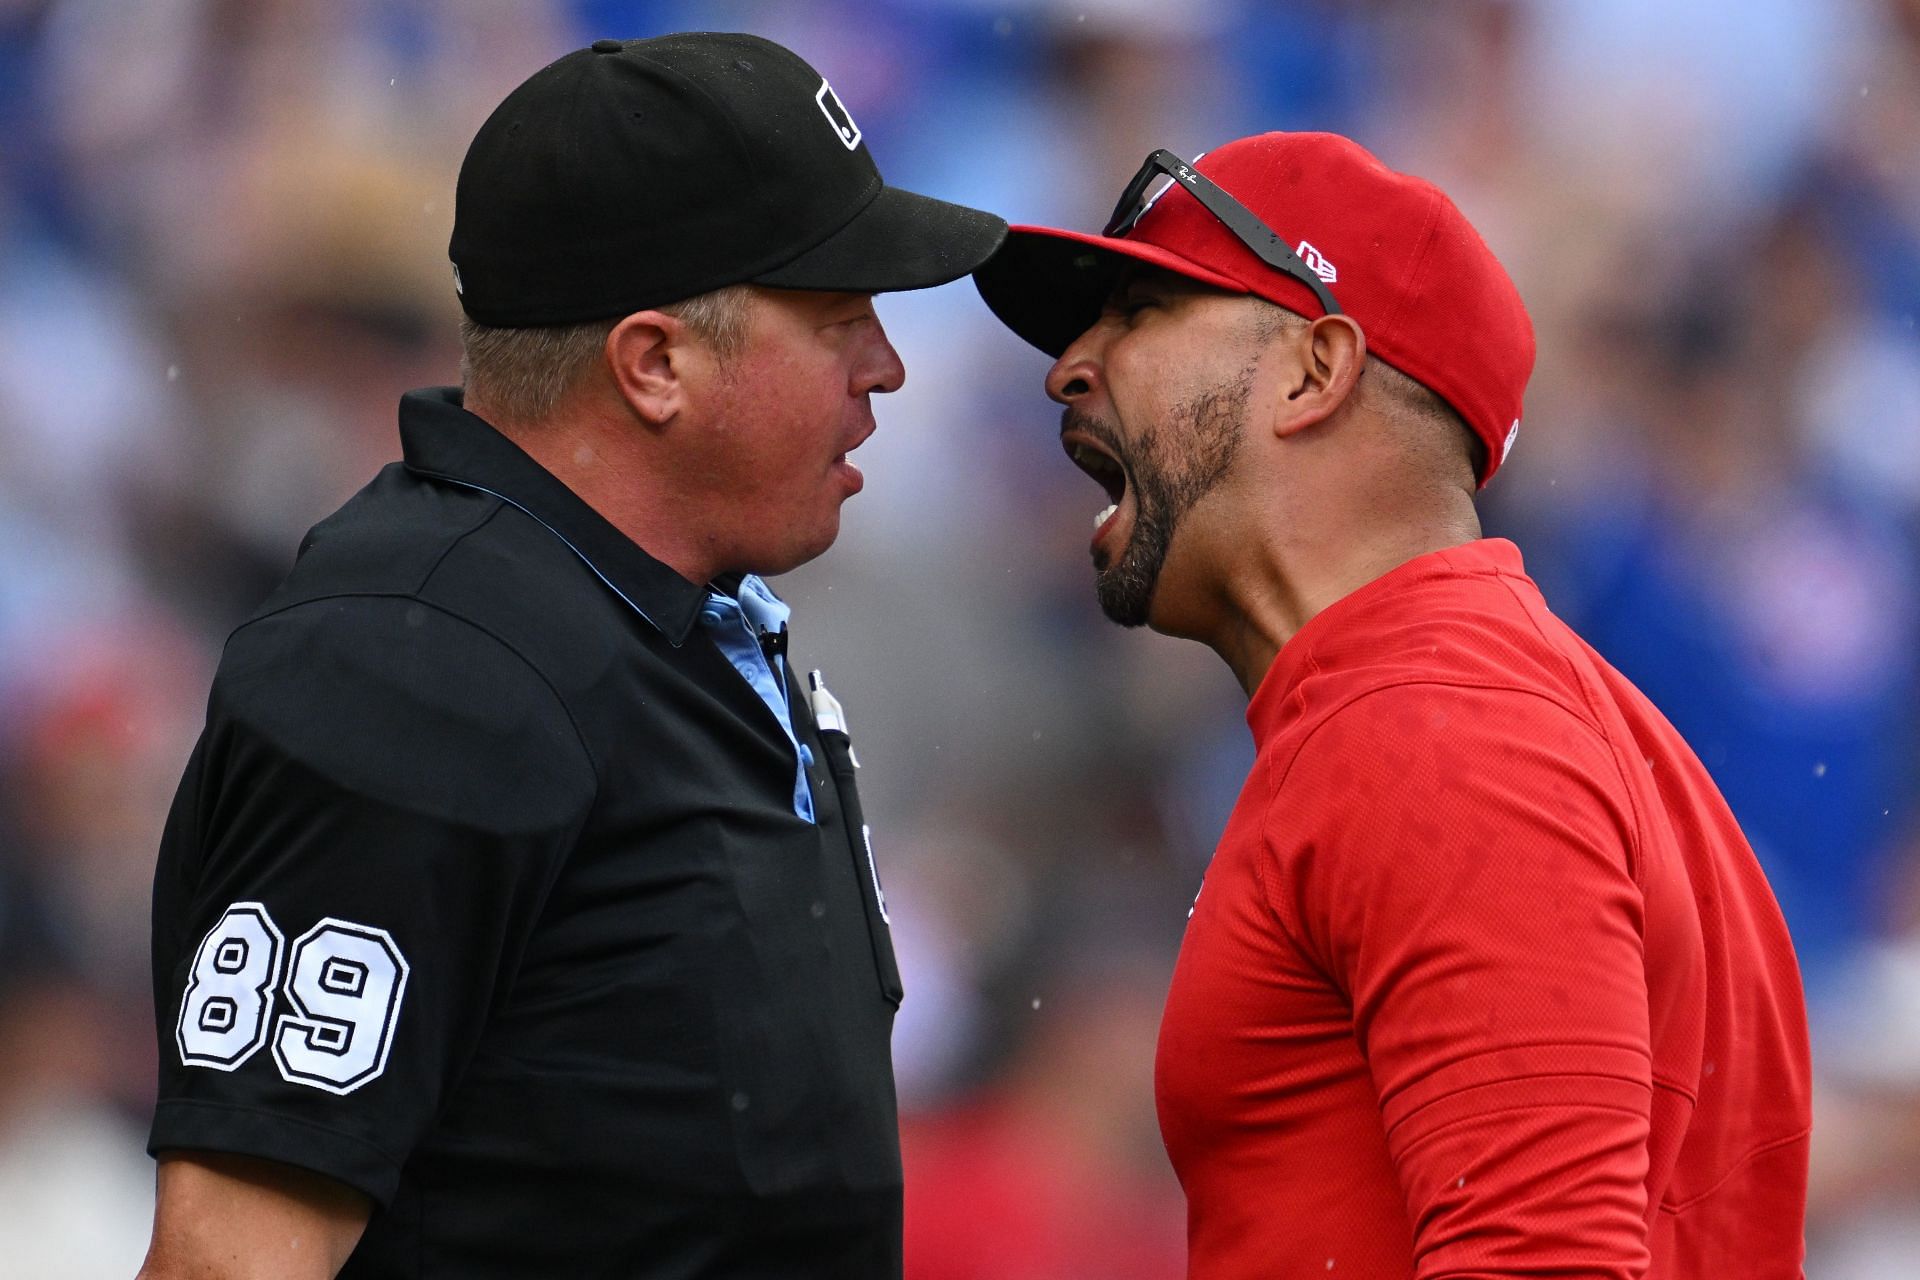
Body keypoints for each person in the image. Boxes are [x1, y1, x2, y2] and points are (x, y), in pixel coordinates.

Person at [138, 32, 1005, 1279]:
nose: (888, 369)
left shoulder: (657, 618)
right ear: (655, 362)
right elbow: (233, 1255)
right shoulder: (419, 667)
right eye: (838, 317)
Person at [972, 133, 1812, 1278]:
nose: (1072, 364)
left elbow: (1539, 1262)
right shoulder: (1477, 703)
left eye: (1141, 309)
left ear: (1314, 371)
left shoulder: (1436, 727)